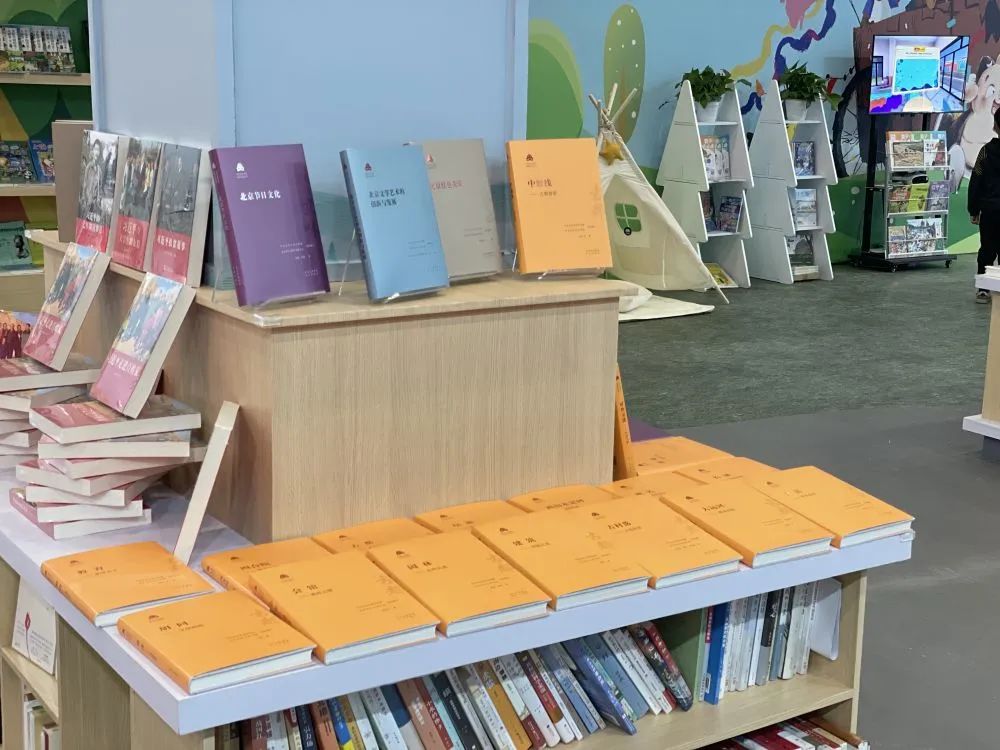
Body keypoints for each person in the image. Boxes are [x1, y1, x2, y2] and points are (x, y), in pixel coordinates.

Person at [969, 109, 1000, 303]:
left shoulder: (986, 151)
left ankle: (983, 289)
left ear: (995, 126)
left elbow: (976, 180)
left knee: (987, 249)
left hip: (990, 210)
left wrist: (973, 209)